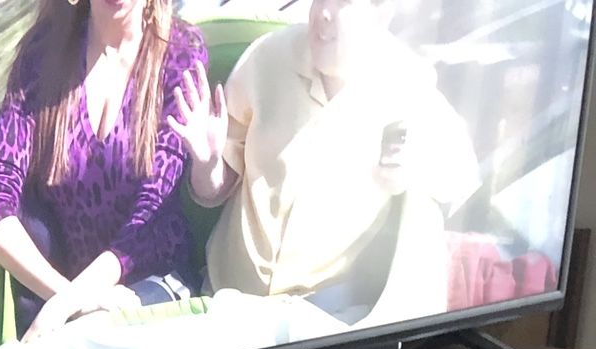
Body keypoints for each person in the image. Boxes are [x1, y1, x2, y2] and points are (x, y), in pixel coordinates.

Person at [168, 0, 479, 318]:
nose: (323, 13)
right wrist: (206, 164)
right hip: (226, 299)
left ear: (382, 13)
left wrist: (414, 165)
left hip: (326, 321)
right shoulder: (267, 57)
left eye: (343, 2)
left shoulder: (408, 85)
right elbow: (214, 191)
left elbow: (461, 179)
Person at [0, 0, 210, 338]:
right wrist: (67, 298)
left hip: (156, 279)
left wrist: (65, 307)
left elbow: (149, 220)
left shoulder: (180, 53)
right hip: (68, 292)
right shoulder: (42, 55)